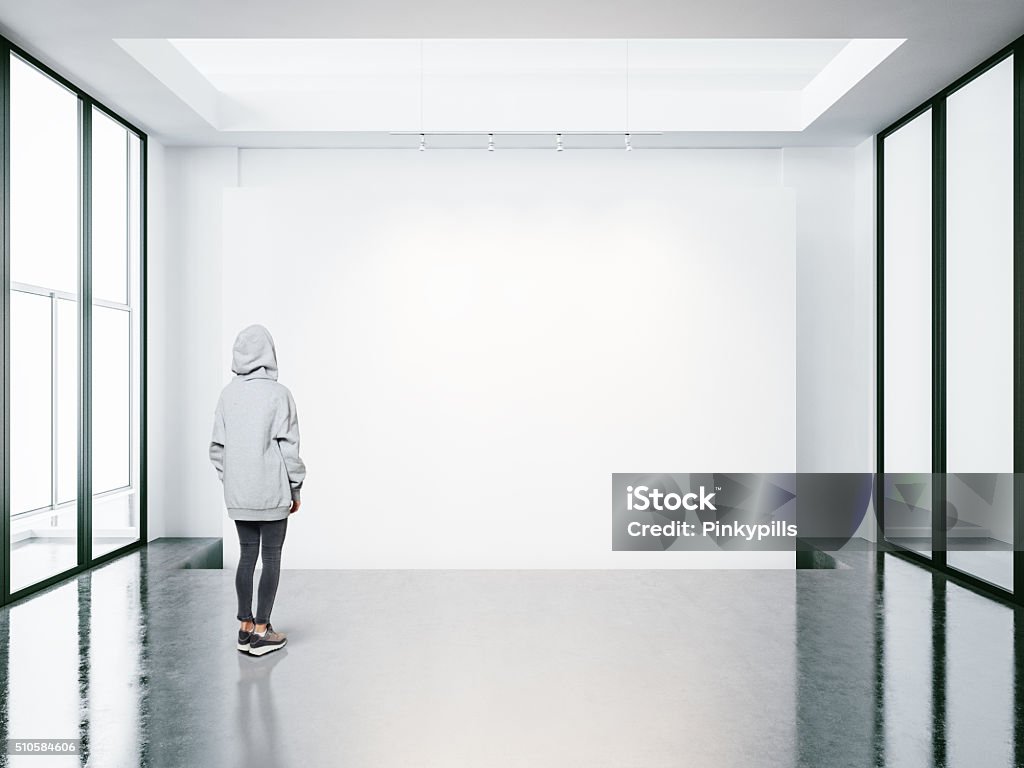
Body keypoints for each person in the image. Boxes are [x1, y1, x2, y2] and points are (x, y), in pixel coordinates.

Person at [210, 324, 306, 657]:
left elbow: (217, 449)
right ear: (269, 354)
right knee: (271, 557)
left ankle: (245, 627)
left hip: (239, 495)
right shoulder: (279, 394)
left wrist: (232, 480)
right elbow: (288, 449)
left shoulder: (227, 395)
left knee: (246, 555)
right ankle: (263, 631)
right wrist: (295, 487)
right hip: (272, 492)